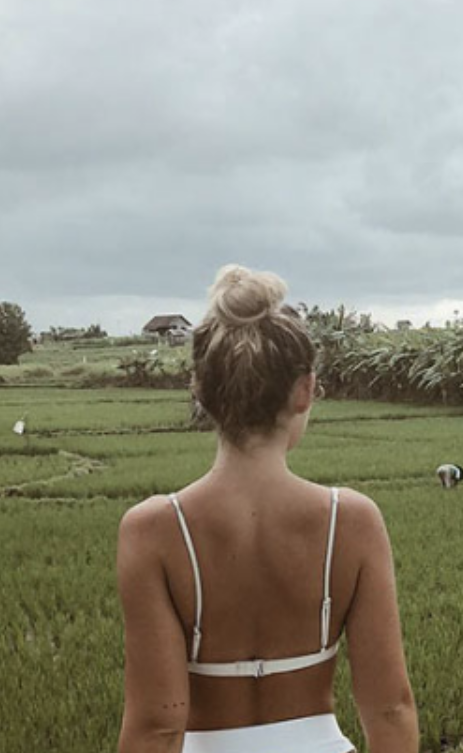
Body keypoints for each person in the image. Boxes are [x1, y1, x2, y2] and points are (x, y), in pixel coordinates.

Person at [117, 265, 418, 753]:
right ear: (304, 390)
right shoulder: (353, 521)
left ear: (200, 389)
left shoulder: (152, 530)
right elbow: (392, 710)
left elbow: (157, 725)